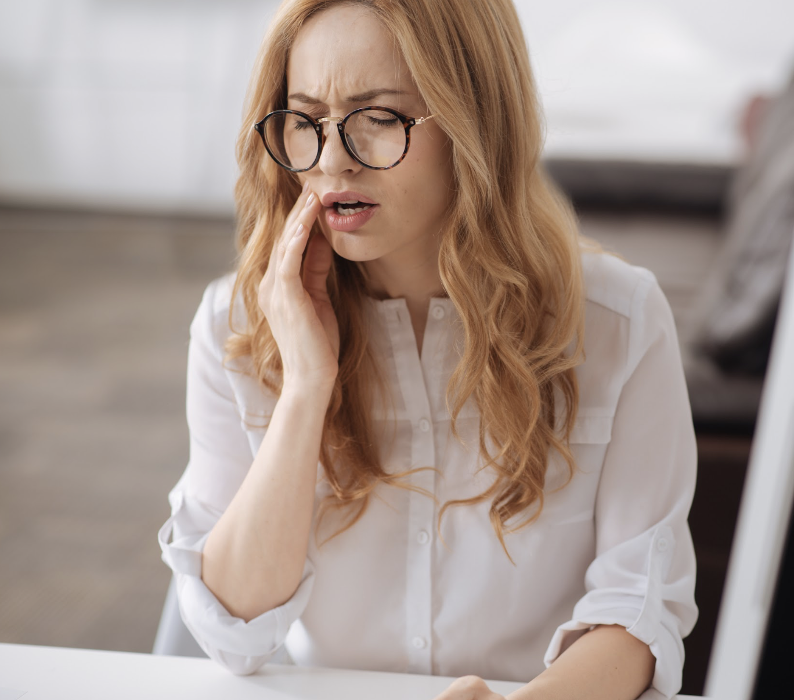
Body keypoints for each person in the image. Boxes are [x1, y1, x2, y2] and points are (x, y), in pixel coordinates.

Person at [158, 1, 697, 699]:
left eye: (378, 118)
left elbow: (638, 613)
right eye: (306, 120)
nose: (331, 160)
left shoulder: (620, 323)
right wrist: (304, 390)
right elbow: (233, 629)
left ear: (474, 122)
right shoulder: (236, 325)